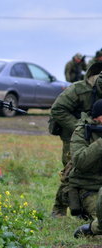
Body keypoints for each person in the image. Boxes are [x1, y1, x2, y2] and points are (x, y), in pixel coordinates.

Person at [50, 62, 102, 217]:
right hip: (75, 132)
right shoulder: (79, 89)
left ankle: (87, 205)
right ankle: (59, 208)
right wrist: (79, 127)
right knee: (71, 170)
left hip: (97, 131)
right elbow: (57, 109)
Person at [71, 99, 102, 238]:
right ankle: (89, 229)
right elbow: (79, 161)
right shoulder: (82, 131)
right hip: (90, 188)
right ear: (98, 117)